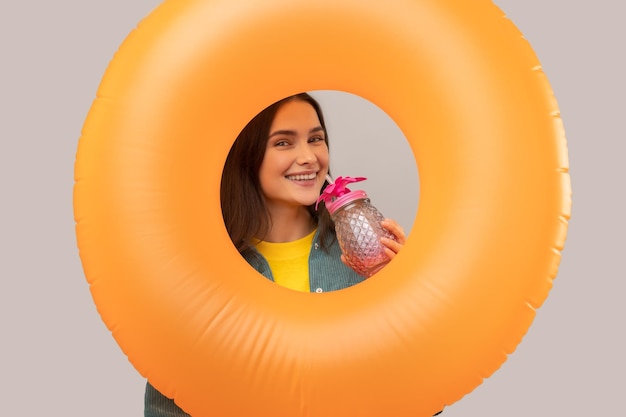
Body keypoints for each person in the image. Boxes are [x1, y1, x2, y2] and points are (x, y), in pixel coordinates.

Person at [144, 93, 409, 416]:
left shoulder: (365, 255)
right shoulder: (205, 269)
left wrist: (405, 300)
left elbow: (423, 397)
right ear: (248, 155)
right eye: (284, 143)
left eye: (316, 139)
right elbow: (169, 404)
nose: (309, 157)